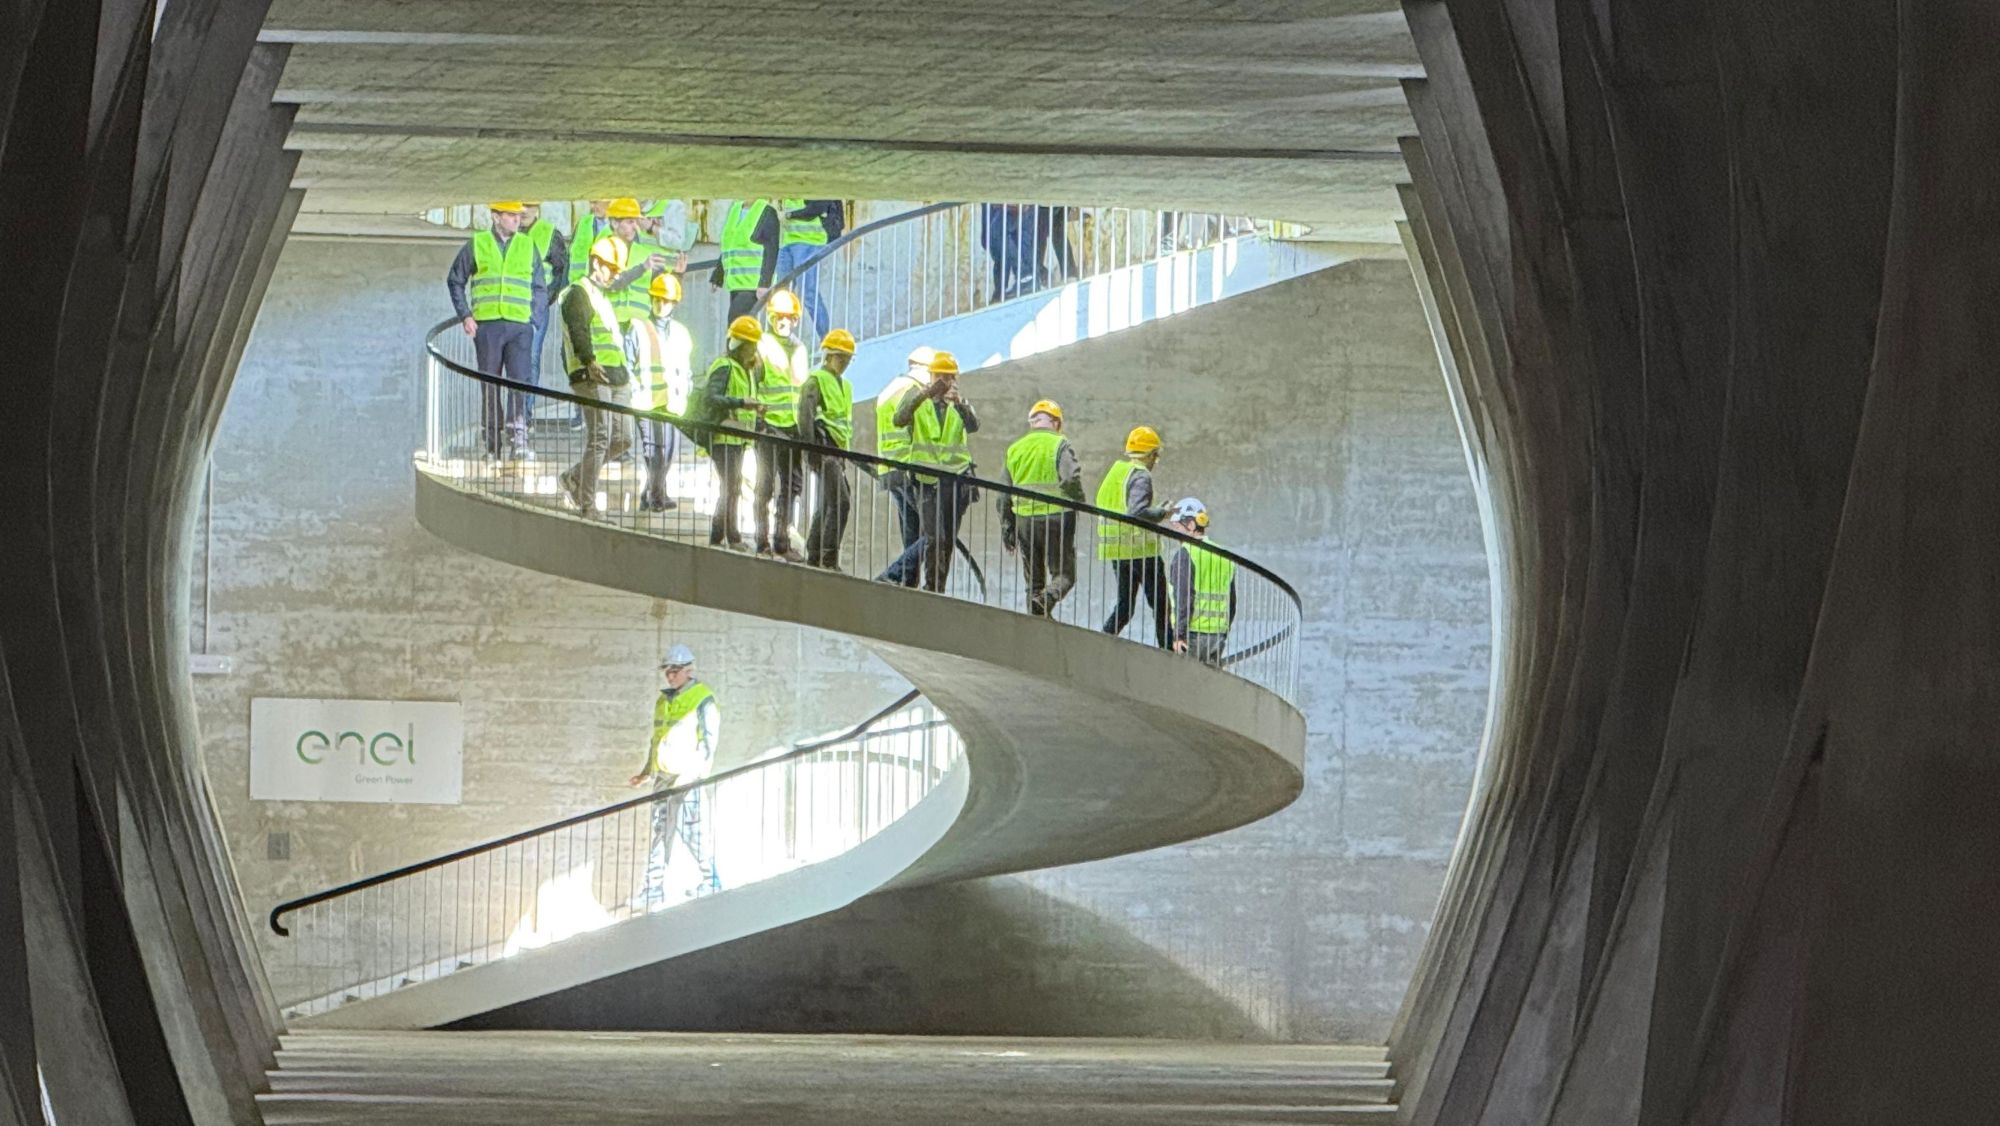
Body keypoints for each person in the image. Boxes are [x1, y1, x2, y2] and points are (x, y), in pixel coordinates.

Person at [444, 200, 544, 461]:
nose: (517, 220)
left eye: (518, 216)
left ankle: (518, 439)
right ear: (496, 216)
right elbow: (456, 280)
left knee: (519, 383)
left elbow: (539, 286)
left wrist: (534, 318)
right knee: (490, 385)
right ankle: (492, 443)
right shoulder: (477, 244)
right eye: (511, 215)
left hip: (520, 326)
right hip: (488, 326)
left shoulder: (527, 245)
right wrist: (465, 315)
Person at [629, 644, 720, 907]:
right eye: (668, 671)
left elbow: (708, 744)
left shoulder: (703, 699)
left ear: (689, 669)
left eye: (675, 671)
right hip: (664, 777)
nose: (670, 676)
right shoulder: (663, 700)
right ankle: (653, 889)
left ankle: (712, 881)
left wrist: (692, 775)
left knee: (692, 831)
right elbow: (657, 739)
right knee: (660, 832)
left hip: (686, 778)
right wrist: (647, 771)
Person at [885, 351, 978, 591]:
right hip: (927, 481)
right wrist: (925, 393)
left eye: (948, 377)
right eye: (940, 376)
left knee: (947, 539)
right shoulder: (919, 400)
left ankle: (937, 586)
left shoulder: (958, 404)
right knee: (934, 537)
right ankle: (929, 585)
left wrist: (960, 403)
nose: (944, 382)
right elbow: (899, 418)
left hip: (956, 480)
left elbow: (974, 425)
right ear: (931, 376)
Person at [556, 239, 634, 520]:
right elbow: (578, 330)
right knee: (600, 437)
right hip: (592, 375)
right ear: (596, 263)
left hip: (616, 376)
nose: (615, 274)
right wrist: (588, 361)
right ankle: (588, 504)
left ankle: (575, 477)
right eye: (611, 268)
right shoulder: (578, 293)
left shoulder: (602, 297)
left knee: (622, 438)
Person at [689, 316, 767, 548]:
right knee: (731, 486)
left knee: (732, 485)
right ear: (738, 345)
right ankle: (728, 536)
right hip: (723, 436)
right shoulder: (725, 366)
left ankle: (722, 535)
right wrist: (741, 403)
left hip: (738, 438)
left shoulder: (746, 371)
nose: (752, 350)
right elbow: (711, 398)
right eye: (749, 346)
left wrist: (754, 408)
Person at [1000, 399, 1084, 616]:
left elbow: (1003, 495)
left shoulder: (1015, 449)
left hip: (1025, 521)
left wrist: (1007, 527)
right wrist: (1079, 500)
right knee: (1064, 575)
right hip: (1056, 517)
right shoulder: (1060, 444)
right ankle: (1047, 599)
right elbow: (1070, 479)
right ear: (1056, 423)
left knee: (1034, 580)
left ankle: (1035, 621)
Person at [627, 273, 696, 512]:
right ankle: (656, 496)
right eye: (657, 299)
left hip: (672, 402)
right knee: (654, 452)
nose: (660, 304)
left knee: (668, 453)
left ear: (674, 303)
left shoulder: (680, 332)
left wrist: (686, 390)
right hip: (646, 401)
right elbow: (628, 363)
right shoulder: (638, 328)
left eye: (665, 300)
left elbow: (685, 367)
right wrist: (634, 388)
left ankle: (653, 492)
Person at [1097, 425, 1171, 646]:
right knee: (1161, 606)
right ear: (1149, 455)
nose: (1155, 461)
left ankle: (1102, 641)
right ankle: (1169, 652)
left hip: (1118, 551)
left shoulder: (1117, 472)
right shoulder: (1141, 476)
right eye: (1155, 456)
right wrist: (1162, 513)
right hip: (1141, 553)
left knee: (1125, 605)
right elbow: (1136, 512)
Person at [752, 290, 811, 560]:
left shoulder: (800, 349)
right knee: (765, 485)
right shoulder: (761, 345)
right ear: (771, 317)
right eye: (778, 317)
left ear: (796, 319)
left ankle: (781, 540)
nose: (783, 321)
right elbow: (754, 383)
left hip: (792, 428)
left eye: (788, 317)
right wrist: (758, 421)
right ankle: (762, 540)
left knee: (791, 486)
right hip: (769, 427)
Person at [872, 346, 935, 584]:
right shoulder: (914, 392)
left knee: (912, 533)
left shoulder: (889, 389)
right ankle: (894, 574)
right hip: (910, 470)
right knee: (934, 531)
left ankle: (908, 583)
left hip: (889, 470)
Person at [796, 328, 856, 569]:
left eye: (847, 359)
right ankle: (827, 557)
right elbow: (805, 417)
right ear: (829, 355)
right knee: (840, 502)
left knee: (829, 502)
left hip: (838, 452)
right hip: (825, 449)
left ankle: (814, 553)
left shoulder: (845, 386)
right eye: (841, 358)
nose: (844, 363)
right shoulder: (816, 381)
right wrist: (811, 452)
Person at [1165, 498, 1237, 667]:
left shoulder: (1186, 554)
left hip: (1192, 636)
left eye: (1177, 528)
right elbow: (1231, 603)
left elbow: (1184, 597)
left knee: (1184, 685)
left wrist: (1179, 635)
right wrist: (1224, 632)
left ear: (1190, 525)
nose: (1175, 534)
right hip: (1217, 636)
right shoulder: (1224, 556)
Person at [776, 199, 844, 339]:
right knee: (781, 294)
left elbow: (816, 208)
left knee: (808, 294)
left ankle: (826, 340)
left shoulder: (811, 184)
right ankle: (781, 338)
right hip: (788, 241)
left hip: (808, 240)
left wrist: (789, 215)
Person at [612, 201, 685, 328]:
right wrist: (642, 268)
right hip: (613, 320)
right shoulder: (607, 249)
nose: (635, 227)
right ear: (614, 223)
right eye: (630, 222)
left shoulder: (645, 253)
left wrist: (676, 275)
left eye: (634, 221)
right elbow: (610, 283)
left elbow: (678, 242)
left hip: (642, 323)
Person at [520, 203, 569, 387]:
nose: (524, 210)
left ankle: (525, 412)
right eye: (521, 205)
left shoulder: (549, 233)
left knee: (531, 358)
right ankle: (516, 410)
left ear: (538, 207)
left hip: (536, 308)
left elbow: (559, 271)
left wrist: (545, 300)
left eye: (529, 205)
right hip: (510, 307)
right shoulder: (507, 231)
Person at [716, 198, 779, 320]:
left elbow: (772, 250)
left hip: (752, 286)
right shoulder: (735, 209)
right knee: (740, 328)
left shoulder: (766, 211)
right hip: (735, 284)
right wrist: (718, 274)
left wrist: (764, 283)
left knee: (737, 327)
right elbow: (729, 245)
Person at [567, 199, 613, 285]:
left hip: (605, 290)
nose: (592, 206)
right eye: (590, 202)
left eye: (595, 202)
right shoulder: (583, 223)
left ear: (609, 200)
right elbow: (569, 260)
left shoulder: (621, 227)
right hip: (579, 288)